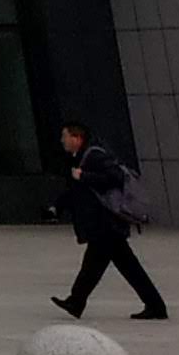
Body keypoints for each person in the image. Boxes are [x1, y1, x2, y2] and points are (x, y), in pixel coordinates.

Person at [51, 119, 168, 321]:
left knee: (101, 266)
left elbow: (115, 177)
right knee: (117, 266)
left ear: (77, 138)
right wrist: (57, 208)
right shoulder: (79, 158)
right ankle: (77, 301)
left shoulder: (94, 155)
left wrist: (84, 176)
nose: (62, 141)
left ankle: (77, 301)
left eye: (65, 136)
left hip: (106, 224)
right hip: (103, 225)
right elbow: (75, 192)